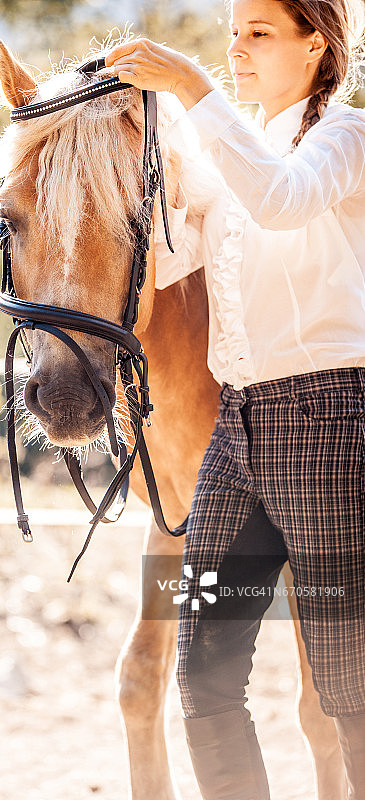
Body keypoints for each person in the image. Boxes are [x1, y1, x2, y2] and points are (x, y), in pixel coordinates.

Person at [105, 1, 365, 798]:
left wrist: (188, 84)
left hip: (325, 419)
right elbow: (162, 254)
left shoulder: (346, 138)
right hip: (237, 430)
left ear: (315, 44)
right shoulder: (227, 163)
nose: (235, 49)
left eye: (257, 32)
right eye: (231, 34)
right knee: (206, 677)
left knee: (346, 684)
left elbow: (280, 198)